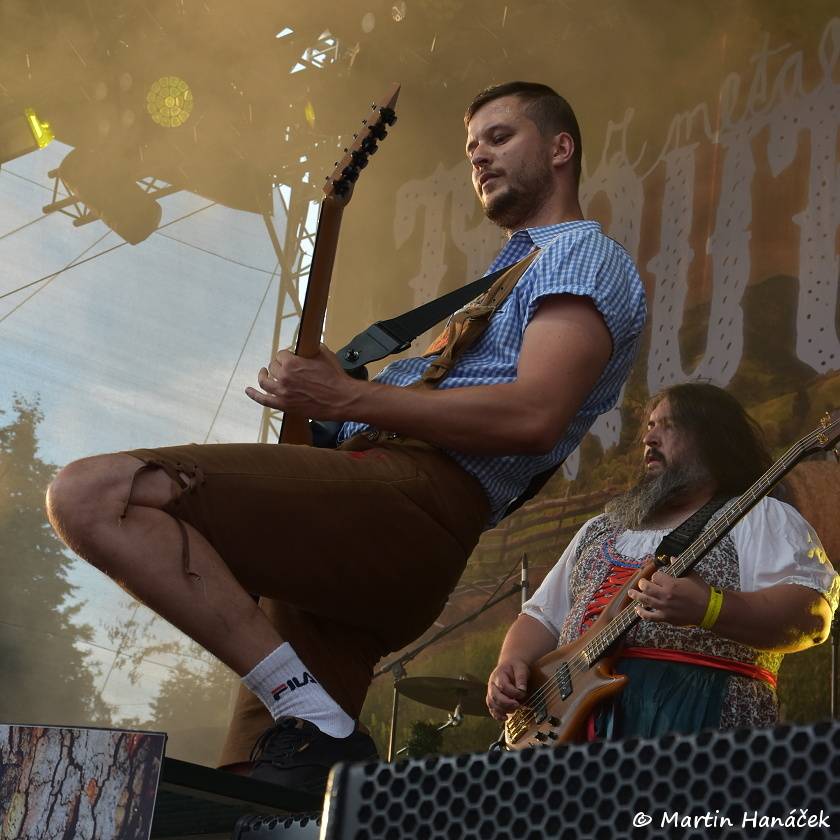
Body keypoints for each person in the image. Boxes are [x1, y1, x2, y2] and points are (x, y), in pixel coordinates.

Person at [45, 81, 646, 795]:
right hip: (376, 521)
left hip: (416, 502)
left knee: (92, 495)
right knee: (264, 786)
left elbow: (533, 416)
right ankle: (312, 723)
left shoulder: (578, 253)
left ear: (560, 148)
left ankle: (314, 717)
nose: (478, 156)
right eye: (470, 147)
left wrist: (348, 395)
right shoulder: (507, 271)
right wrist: (340, 405)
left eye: (499, 136)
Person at [487, 383, 839, 737]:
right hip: (573, 738)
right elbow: (542, 617)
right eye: (650, 426)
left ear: (714, 439)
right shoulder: (600, 530)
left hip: (702, 726)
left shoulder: (759, 515)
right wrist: (510, 663)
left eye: (668, 426)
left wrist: (710, 607)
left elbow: (811, 615)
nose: (649, 439)